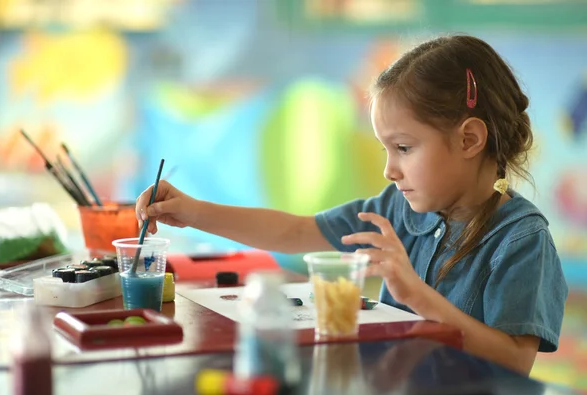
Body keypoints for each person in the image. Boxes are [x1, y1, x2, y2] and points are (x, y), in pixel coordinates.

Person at [135, 35, 568, 375]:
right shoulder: (397, 210)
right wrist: (191, 211)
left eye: (403, 147)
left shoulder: (522, 240)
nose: (389, 170)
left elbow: (514, 363)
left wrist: (414, 295)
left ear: (469, 139)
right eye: (385, 149)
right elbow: (295, 233)